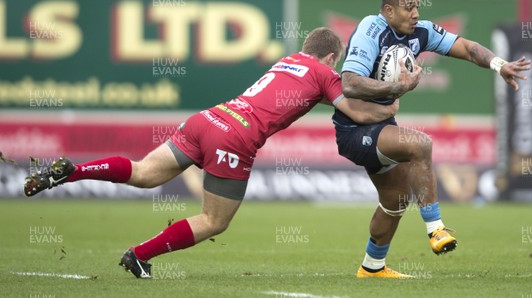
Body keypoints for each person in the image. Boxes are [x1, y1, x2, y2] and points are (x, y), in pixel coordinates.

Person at [24, 27, 403, 279]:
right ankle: (139, 254)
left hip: (210, 117)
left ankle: (72, 171)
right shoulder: (324, 74)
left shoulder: (287, 60)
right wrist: (390, 106)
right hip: (235, 138)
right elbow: (353, 109)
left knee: (143, 173)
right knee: (214, 221)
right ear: (333, 57)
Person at [333, 0, 531, 278]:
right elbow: (349, 84)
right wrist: (398, 87)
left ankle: (372, 267)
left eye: (417, 5)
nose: (415, 13)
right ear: (388, 10)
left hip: (380, 124)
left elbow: (466, 47)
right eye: (407, 7)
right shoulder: (370, 31)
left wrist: (498, 64)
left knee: (396, 200)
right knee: (420, 144)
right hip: (354, 129)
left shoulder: (420, 32)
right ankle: (436, 230)